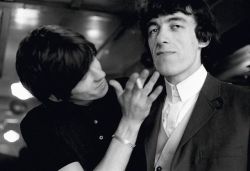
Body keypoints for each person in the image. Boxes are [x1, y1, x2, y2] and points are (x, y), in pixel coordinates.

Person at [121, 0, 250, 170]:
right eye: (153, 29)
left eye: (175, 26)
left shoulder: (244, 104)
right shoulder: (136, 110)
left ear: (203, 38)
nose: (160, 38)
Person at [15, 25, 163, 171]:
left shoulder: (132, 90)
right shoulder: (38, 124)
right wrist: (130, 123)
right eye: (81, 76)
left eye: (92, 59)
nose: (100, 75)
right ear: (54, 96)